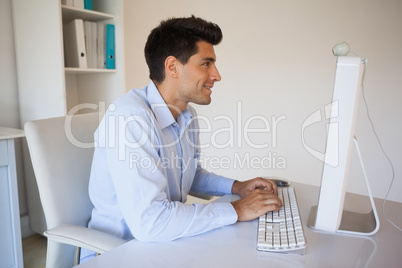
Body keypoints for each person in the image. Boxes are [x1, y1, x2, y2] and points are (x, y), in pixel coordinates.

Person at [82, 15, 282, 261]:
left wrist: (236, 187)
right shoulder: (131, 120)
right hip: (120, 252)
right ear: (173, 67)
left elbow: (187, 174)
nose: (216, 75)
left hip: (165, 241)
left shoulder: (186, 115)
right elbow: (151, 222)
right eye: (206, 64)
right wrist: (235, 209)